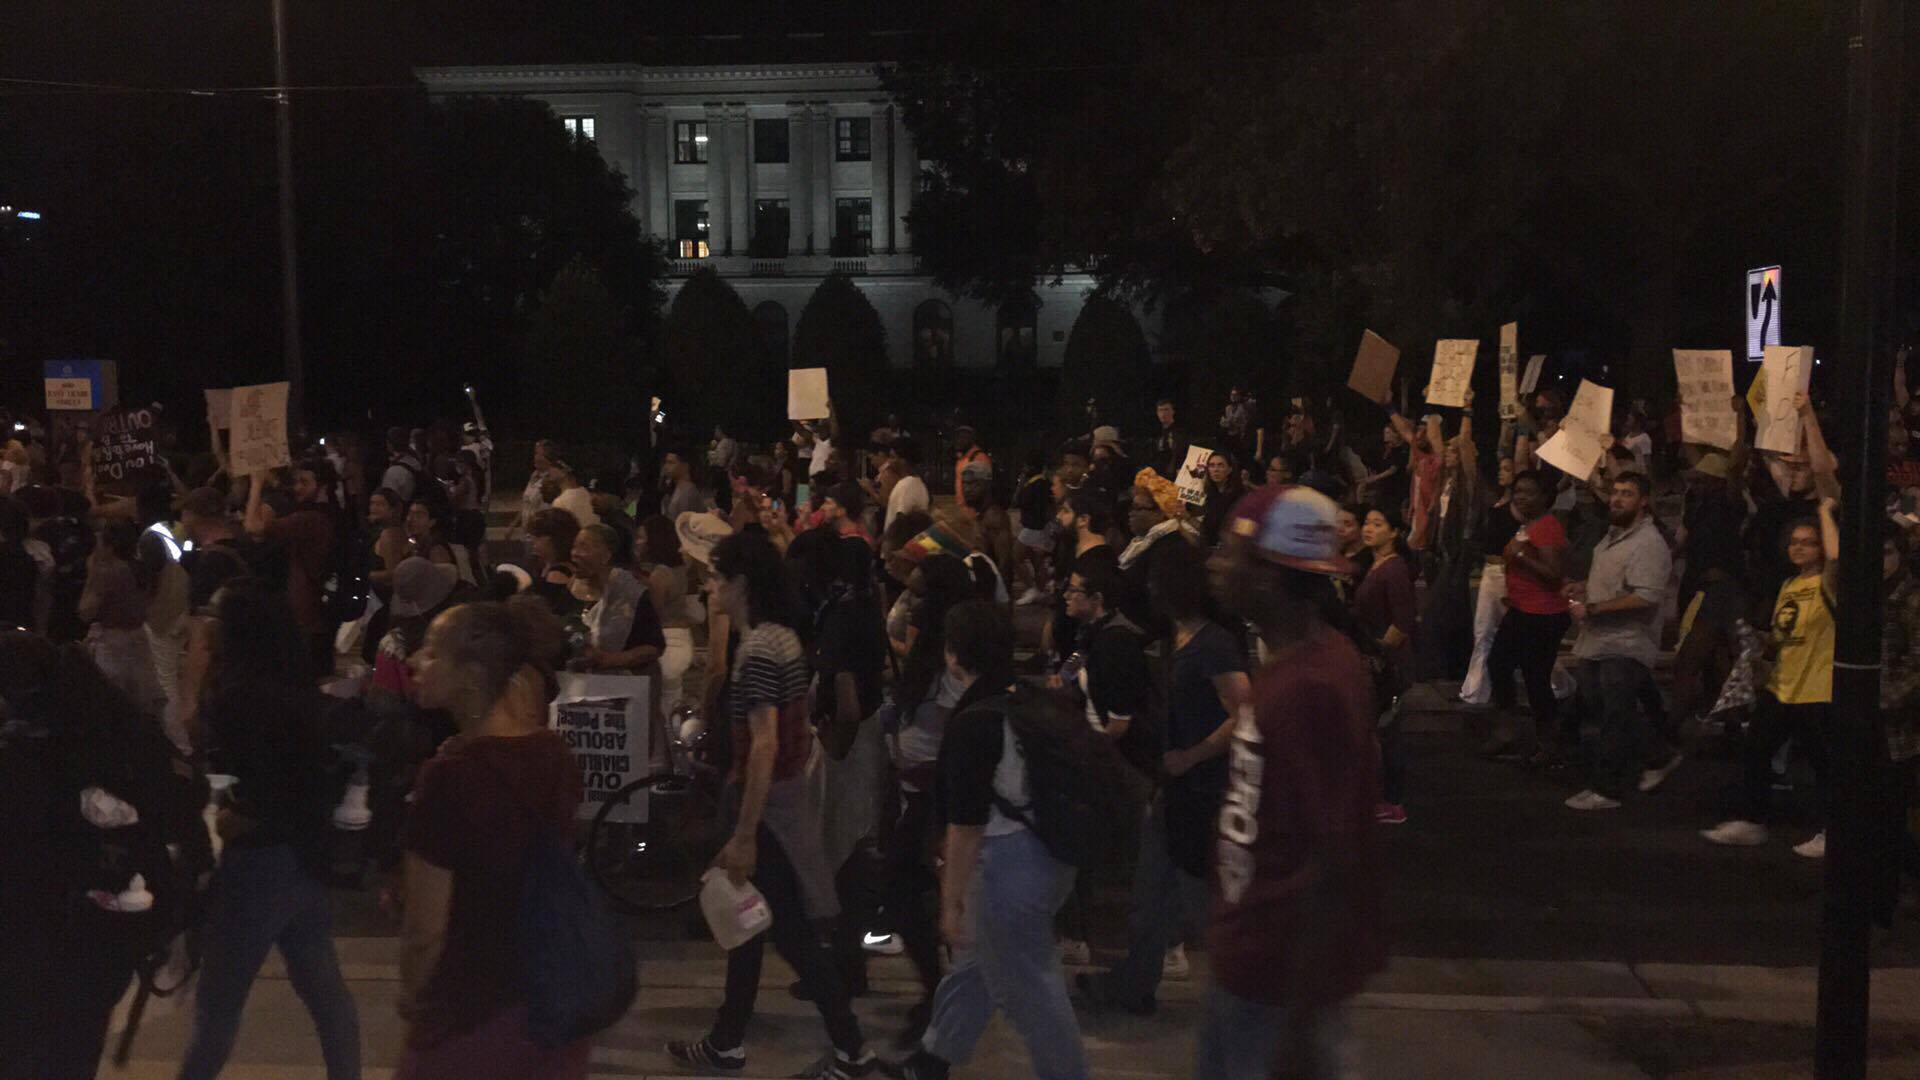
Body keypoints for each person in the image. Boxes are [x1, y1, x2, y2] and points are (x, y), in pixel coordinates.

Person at [668, 530, 874, 1078]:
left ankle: (852, 1051)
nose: (709, 586)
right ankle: (727, 1041)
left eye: (715, 576)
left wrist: (743, 833)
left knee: (786, 934)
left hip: (767, 812)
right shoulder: (783, 638)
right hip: (781, 803)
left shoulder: (758, 648)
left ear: (740, 584)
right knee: (750, 927)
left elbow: (764, 744)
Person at [1195, 484, 1382, 1079]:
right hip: (1249, 967)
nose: (1215, 564)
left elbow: (1334, 857)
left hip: (1273, 986)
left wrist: (1300, 1026)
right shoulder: (1302, 662)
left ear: (1272, 577)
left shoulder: (1310, 687)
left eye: (1230, 552)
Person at [894, 601, 1090, 1080]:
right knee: (977, 964)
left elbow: (966, 826)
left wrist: (951, 900)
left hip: (1010, 868)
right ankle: (933, 1058)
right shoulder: (1025, 696)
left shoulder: (973, 720)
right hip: (1052, 853)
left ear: (955, 655)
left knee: (1032, 991)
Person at [395, 598, 589, 1078]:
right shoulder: (553, 754)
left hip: (473, 1010)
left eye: (434, 651)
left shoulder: (450, 779)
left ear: (473, 674)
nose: (417, 661)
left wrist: (417, 1001)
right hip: (553, 1000)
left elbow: (425, 931)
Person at [177, 580, 362, 1080]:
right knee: (323, 989)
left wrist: (192, 680)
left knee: (218, 1000)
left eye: (213, 615)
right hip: (301, 855)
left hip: (256, 860)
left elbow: (206, 753)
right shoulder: (293, 691)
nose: (205, 624)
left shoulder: (236, 697)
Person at [1081, 541, 1248, 1014]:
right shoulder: (1177, 638)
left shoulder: (1213, 643)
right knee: (1151, 890)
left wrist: (1194, 756)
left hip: (1201, 789)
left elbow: (1245, 711)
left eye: (1157, 581)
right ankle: (1135, 984)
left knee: (1199, 898)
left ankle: (1241, 993)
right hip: (1175, 784)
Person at [1703, 503, 1839, 856]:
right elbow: (1783, 636)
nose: (1798, 548)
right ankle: (1751, 820)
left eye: (1808, 542)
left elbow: (1837, 559)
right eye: (1794, 541)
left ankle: (1833, 831)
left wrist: (1825, 512)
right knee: (1756, 749)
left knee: (1825, 764)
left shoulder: (1829, 583)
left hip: (1816, 686)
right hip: (1783, 685)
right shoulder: (1789, 584)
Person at [879, 552, 977, 1042]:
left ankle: (942, 995)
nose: (908, 602)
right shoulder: (928, 652)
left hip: (935, 793)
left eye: (918, 594)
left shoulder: (956, 658)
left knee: (903, 883)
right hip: (916, 788)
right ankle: (940, 991)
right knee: (905, 884)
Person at [1561, 473, 1681, 811]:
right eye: (1615, 492)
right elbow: (1616, 582)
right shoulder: (1613, 538)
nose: (1617, 499)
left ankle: (1608, 787)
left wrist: (1594, 607)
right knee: (1607, 708)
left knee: (1614, 713)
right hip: (1600, 639)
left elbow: (1645, 597)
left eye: (1626, 494)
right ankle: (1659, 755)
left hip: (1627, 641)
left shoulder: (1648, 543)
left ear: (1644, 501)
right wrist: (1584, 588)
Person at [1482, 470, 1573, 764]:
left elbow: (1553, 574)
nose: (1521, 496)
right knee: (1499, 663)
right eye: (1518, 490)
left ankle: (1549, 742)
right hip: (1523, 609)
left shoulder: (1546, 527)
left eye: (1529, 492)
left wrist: (1521, 556)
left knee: (1535, 678)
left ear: (1545, 497)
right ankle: (1510, 731)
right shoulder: (1527, 525)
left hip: (1542, 614)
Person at [244, 461, 339, 677]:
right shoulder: (331, 514)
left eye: (304, 482)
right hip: (323, 609)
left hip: (306, 613)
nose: (297, 488)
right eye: (297, 481)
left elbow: (254, 527)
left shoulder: (309, 519)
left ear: (322, 486)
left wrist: (256, 483)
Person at [1352, 508, 1416, 823]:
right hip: (1375, 661)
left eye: (1378, 524)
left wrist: (1379, 655)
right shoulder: (1373, 564)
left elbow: (1401, 623)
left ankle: (1393, 801)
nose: (1369, 529)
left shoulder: (1394, 569)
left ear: (1394, 532)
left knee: (1388, 733)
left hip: (1389, 666)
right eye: (1367, 522)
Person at [1459, 458, 1519, 705]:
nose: (1501, 473)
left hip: (1509, 572)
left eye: (1508, 469)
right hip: (1490, 570)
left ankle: (1556, 682)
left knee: (1519, 630)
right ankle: (1476, 689)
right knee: (1483, 629)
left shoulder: (1519, 506)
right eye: (1500, 468)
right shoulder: (1496, 500)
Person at [634, 514, 696, 716]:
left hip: (668, 643)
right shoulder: (679, 568)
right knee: (673, 702)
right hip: (683, 639)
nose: (638, 542)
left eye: (641, 537)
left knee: (662, 710)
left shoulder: (660, 575)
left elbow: (653, 614)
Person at [406, 496, 477, 587]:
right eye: (410, 514)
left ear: (432, 522)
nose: (411, 520)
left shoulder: (436, 549)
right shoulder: (415, 543)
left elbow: (441, 583)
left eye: (418, 516)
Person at [1198, 450, 1248, 548]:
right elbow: (1206, 529)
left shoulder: (1238, 494)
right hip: (1212, 545)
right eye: (1212, 465)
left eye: (1220, 465)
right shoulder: (1212, 493)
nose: (1216, 469)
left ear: (1229, 469)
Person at [885, 443, 931, 533]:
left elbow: (901, 522)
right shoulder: (917, 483)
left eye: (892, 457)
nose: (889, 462)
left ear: (903, 461)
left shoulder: (907, 485)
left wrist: (878, 542)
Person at [1152, 399, 1189, 482]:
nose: (1163, 414)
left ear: (1173, 411)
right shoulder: (1156, 433)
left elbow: (1181, 453)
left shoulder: (1180, 432)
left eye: (1166, 410)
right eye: (1160, 410)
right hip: (1159, 474)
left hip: (1175, 473)